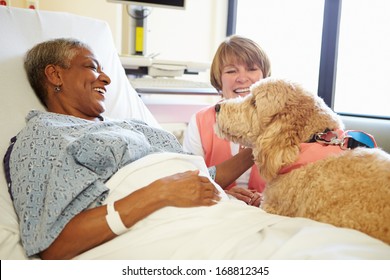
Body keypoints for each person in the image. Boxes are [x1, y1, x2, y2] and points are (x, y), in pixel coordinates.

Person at [4, 38, 257, 260]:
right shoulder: (44, 134)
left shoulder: (131, 125)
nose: (106, 78)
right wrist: (160, 192)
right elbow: (53, 246)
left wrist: (263, 143)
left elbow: (203, 179)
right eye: (92, 67)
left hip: (224, 218)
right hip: (173, 235)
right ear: (55, 75)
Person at [183, 35, 271, 207]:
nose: (242, 78)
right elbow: (191, 181)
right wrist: (225, 194)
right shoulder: (201, 121)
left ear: (264, 75)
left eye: (251, 69)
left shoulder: (281, 119)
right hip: (220, 208)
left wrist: (267, 198)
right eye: (231, 71)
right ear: (219, 79)